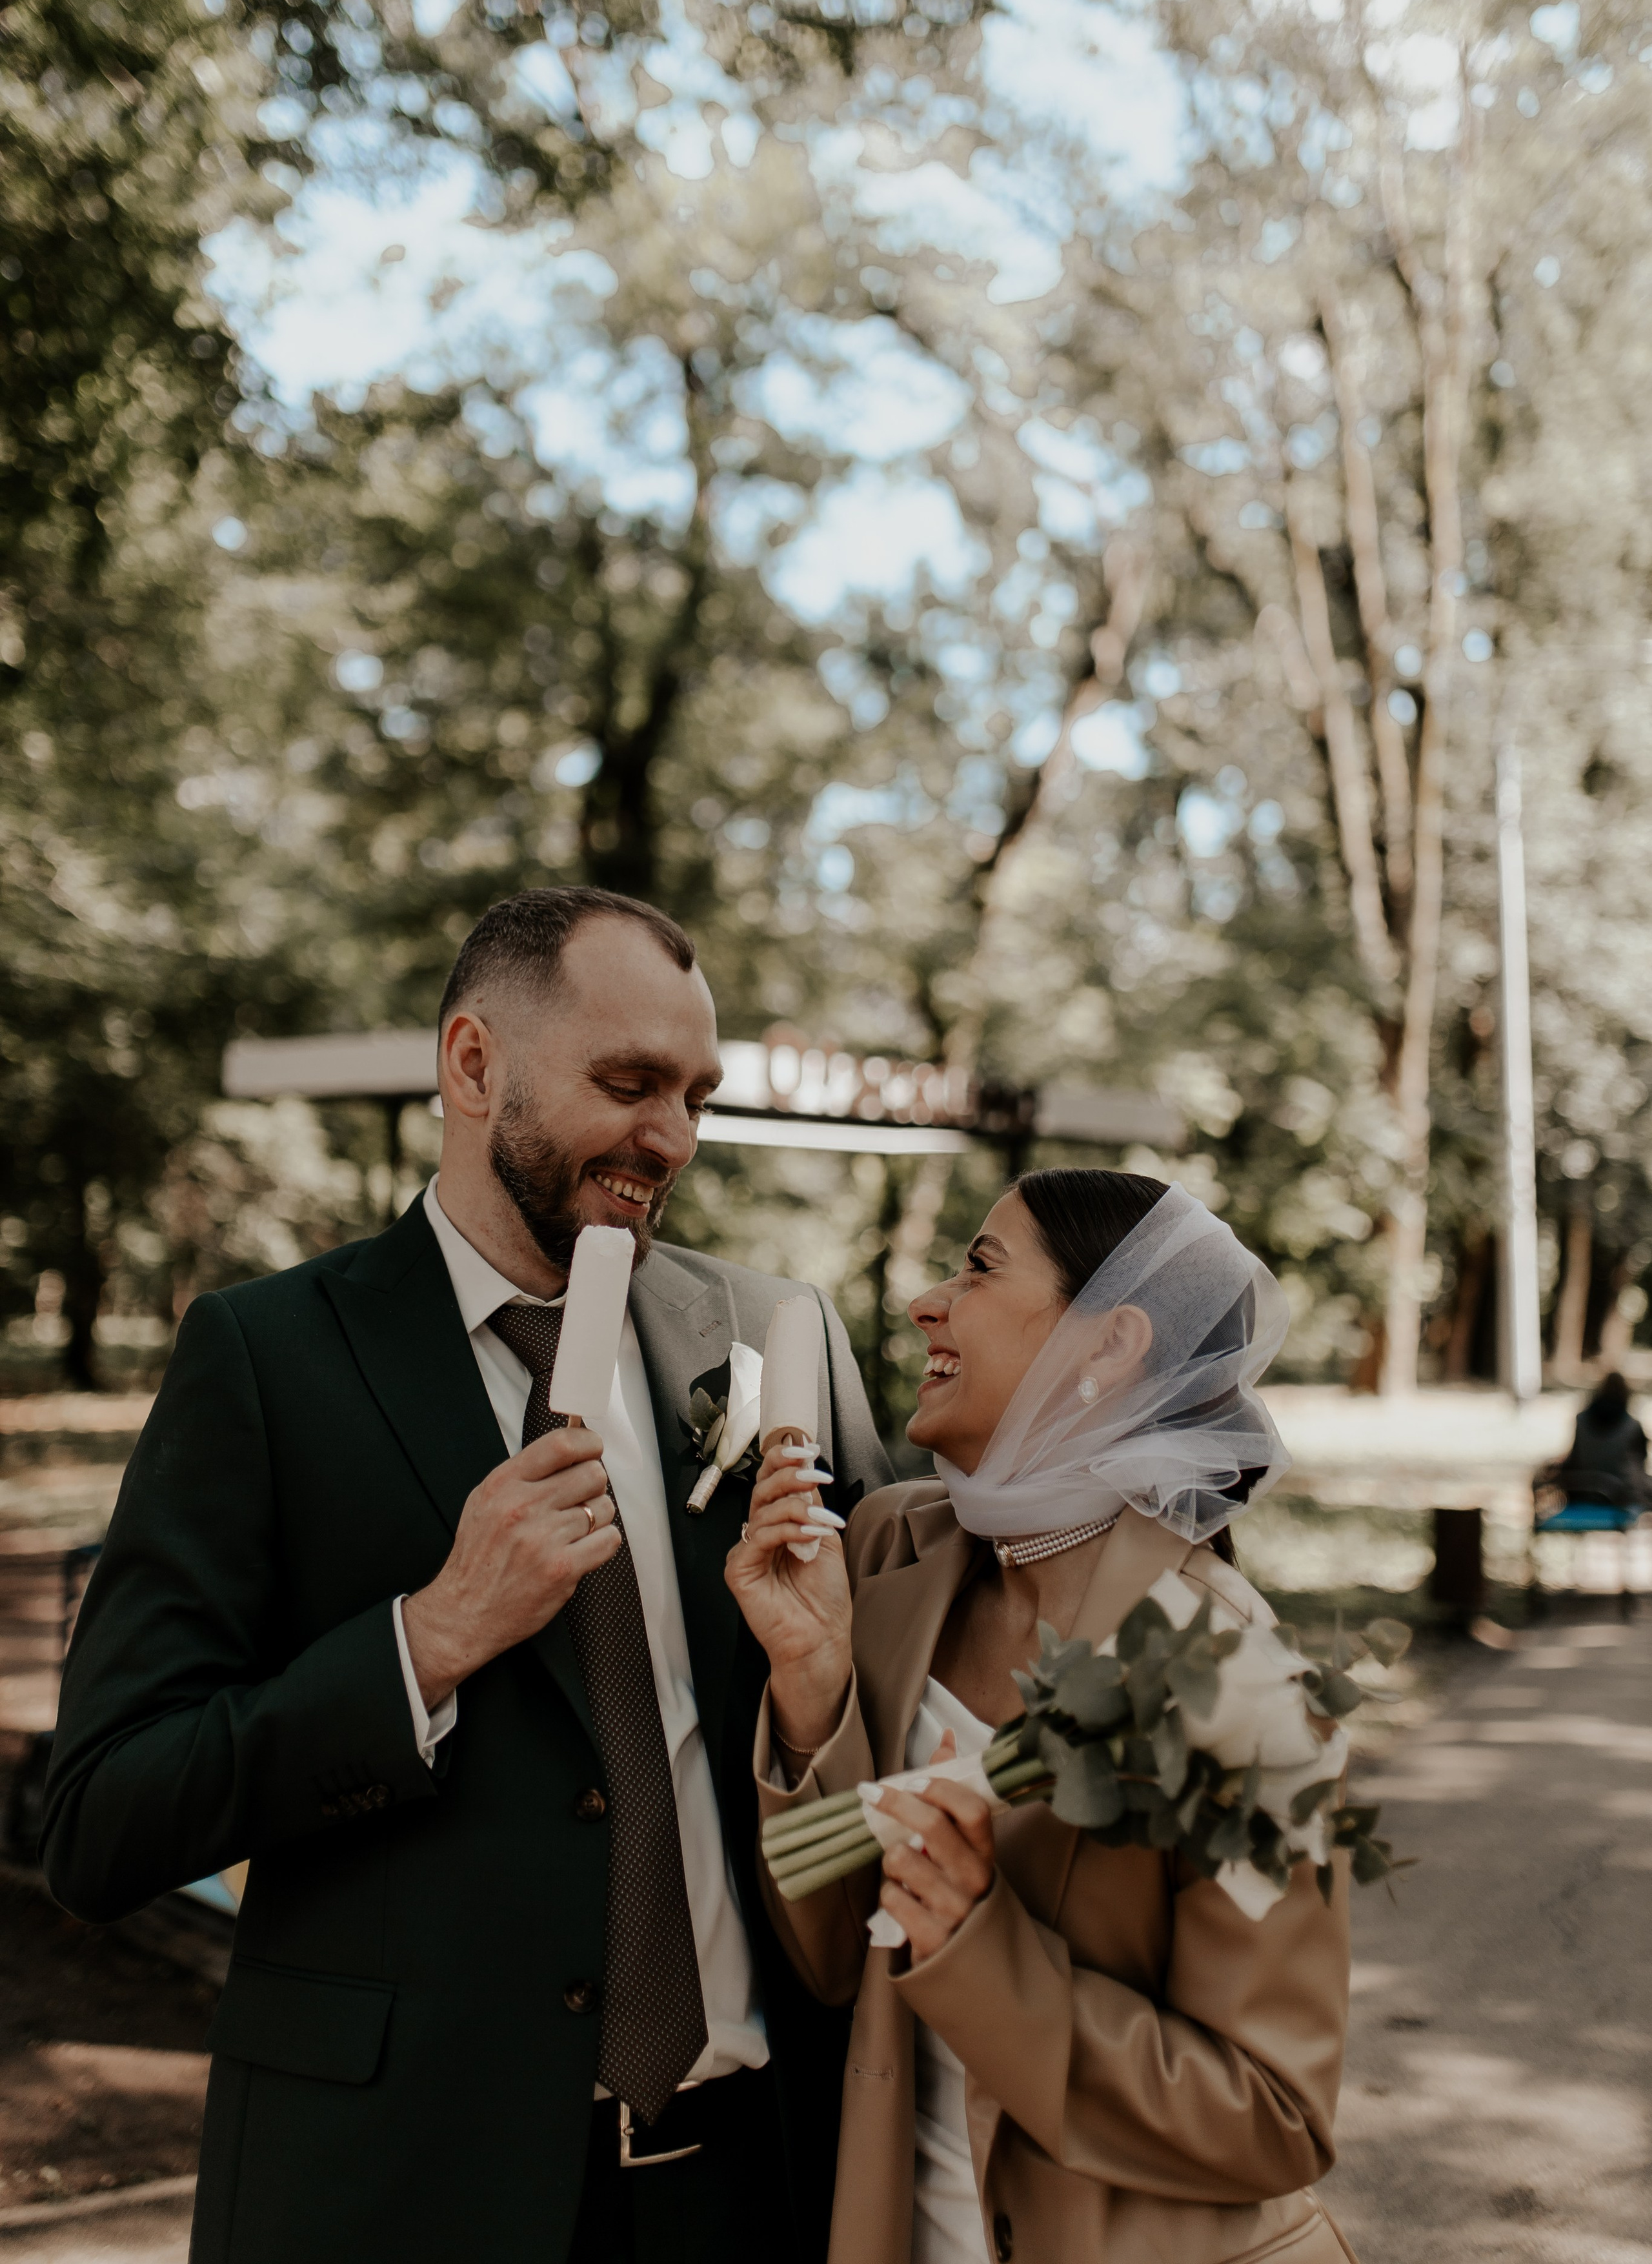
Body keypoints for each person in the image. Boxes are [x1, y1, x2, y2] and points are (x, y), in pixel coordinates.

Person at [42, 887, 891, 2264]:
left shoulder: (775, 1336)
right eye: (628, 1083)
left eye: (694, 1096)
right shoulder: (267, 1360)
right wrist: (425, 1642)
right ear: (474, 1063)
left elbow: (879, 1780)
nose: (672, 1138)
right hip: (400, 2194)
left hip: (748, 2188)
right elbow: (100, 1820)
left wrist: (815, 1710)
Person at [729, 1168, 1358, 2264]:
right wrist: (813, 1681)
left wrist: (979, 1948)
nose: (925, 1302)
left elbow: (1274, 2119)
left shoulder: (1231, 1679)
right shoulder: (880, 1554)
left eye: (979, 1268)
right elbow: (832, 1966)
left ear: (1110, 1346)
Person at [1546, 1370, 1651, 1511]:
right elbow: (1639, 1466)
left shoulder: (1581, 1420)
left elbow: (1575, 1458)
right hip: (1619, 1497)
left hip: (1582, 1491)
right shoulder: (1633, 1427)